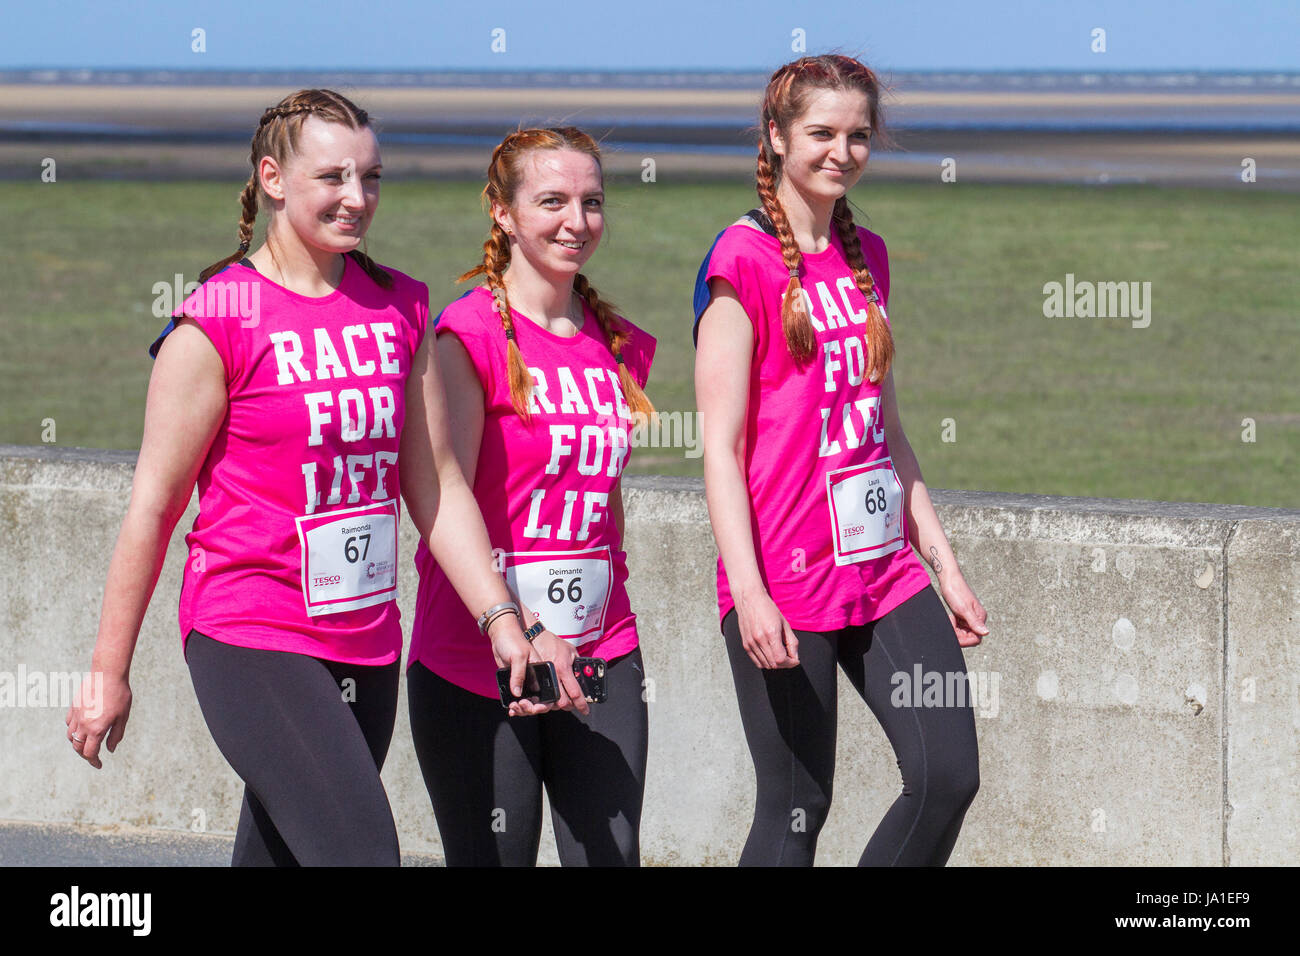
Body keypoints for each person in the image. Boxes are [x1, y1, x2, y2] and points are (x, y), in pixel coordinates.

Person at [63, 89, 538, 866]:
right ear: (274, 178)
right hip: (249, 631)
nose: (358, 199)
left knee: (281, 855)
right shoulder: (217, 320)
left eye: (372, 178)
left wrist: (500, 615)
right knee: (360, 851)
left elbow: (437, 485)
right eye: (334, 179)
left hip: (363, 638)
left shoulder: (399, 309)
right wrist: (107, 674)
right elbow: (152, 508)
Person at [692, 55, 988, 866]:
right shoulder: (739, 262)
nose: (841, 151)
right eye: (820, 132)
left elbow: (886, 431)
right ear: (776, 137)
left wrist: (945, 568)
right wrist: (747, 592)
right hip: (783, 575)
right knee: (797, 804)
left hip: (883, 567)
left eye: (858, 135)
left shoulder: (870, 258)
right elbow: (721, 447)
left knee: (947, 775)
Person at [407, 126, 657, 866]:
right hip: (477, 658)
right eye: (551, 201)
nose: (574, 222)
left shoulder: (623, 345)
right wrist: (520, 621)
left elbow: (597, 500)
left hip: (602, 653)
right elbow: (447, 498)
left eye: (591, 202)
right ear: (503, 212)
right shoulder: (465, 336)